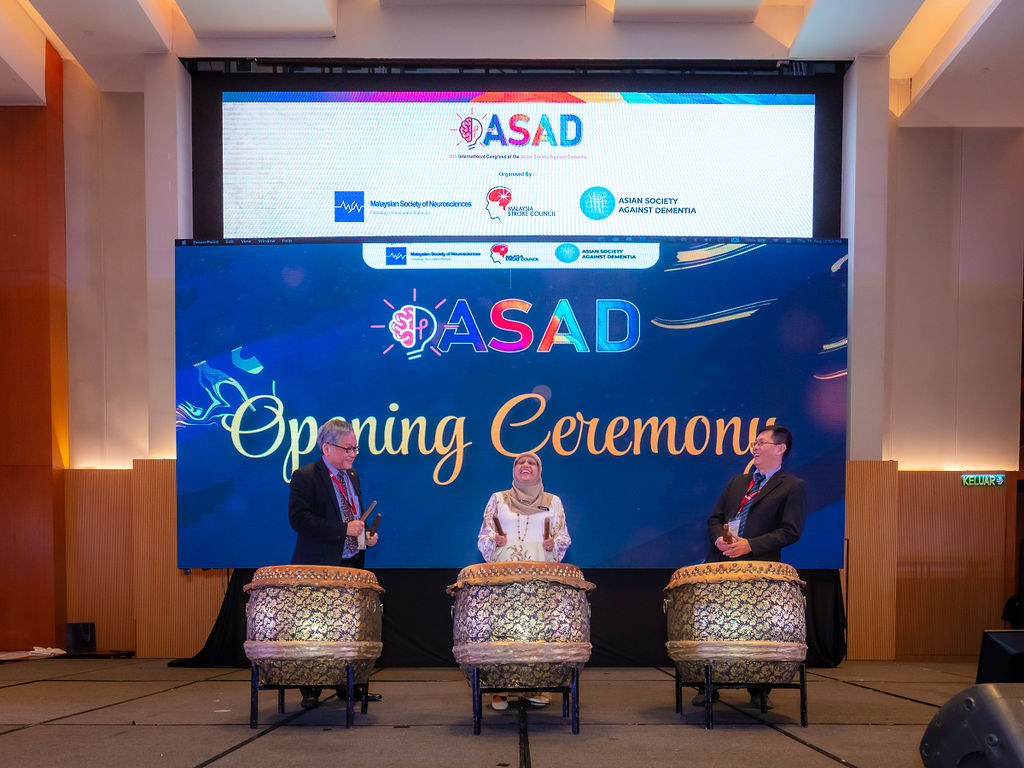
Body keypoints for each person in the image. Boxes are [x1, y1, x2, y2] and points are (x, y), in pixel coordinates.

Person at [696, 425, 807, 710]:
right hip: (721, 564)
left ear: (780, 448)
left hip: (759, 570)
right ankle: (707, 685)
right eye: (754, 443)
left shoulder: (792, 486)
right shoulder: (738, 482)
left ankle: (758, 688)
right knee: (713, 625)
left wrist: (750, 545)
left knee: (757, 631)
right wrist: (720, 540)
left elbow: (790, 531)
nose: (754, 448)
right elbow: (715, 518)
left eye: (761, 443)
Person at [288, 418, 379, 709]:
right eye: (347, 448)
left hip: (350, 564)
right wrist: (343, 530)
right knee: (315, 629)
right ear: (326, 447)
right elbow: (299, 520)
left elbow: (353, 516)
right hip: (319, 567)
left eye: (355, 448)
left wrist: (365, 534)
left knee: (349, 628)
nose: (353, 454)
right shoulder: (305, 476)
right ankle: (310, 687)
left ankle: (348, 685)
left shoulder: (352, 476)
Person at [477, 451, 571, 710]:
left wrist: (554, 545)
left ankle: (534, 686)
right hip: (505, 580)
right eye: (520, 462)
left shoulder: (553, 502)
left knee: (537, 632)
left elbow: (564, 537)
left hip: (539, 580)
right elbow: (484, 536)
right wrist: (494, 541)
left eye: (532, 463)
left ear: (539, 470)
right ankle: (499, 690)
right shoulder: (498, 499)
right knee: (502, 632)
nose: (525, 465)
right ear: (514, 470)